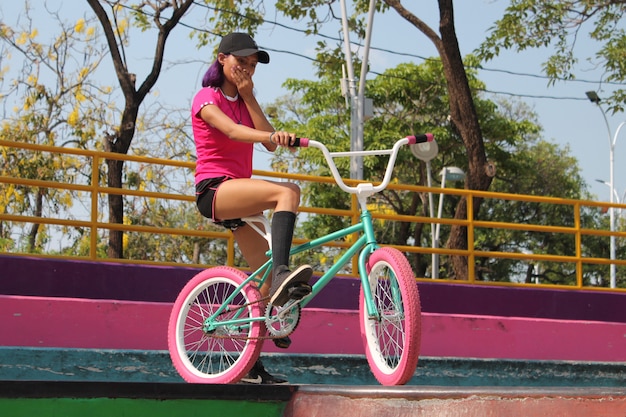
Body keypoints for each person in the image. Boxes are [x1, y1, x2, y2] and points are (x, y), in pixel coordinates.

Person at [192, 32, 312, 384]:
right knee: (287, 192)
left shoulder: (244, 100)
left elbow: (270, 143)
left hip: (238, 196)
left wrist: (249, 96)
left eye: (252, 65)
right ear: (221, 59)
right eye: (240, 62)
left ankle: (248, 368)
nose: (246, 69)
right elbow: (231, 131)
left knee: (261, 292)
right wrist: (272, 136)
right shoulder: (206, 97)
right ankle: (282, 273)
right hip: (215, 190)